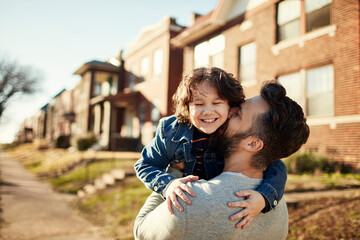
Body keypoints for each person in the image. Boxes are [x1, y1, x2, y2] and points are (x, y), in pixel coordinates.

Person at [133, 81, 310, 240]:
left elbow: (140, 230)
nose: (227, 111)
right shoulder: (278, 207)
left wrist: (174, 171)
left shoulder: (188, 200)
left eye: (238, 114)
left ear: (253, 143)